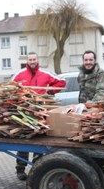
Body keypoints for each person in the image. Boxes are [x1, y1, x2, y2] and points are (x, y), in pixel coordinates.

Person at [11, 51, 66, 180]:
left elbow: (61, 82)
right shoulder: (20, 75)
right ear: (27, 61)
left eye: (34, 59)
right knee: (24, 142)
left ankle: (36, 168)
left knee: (38, 142)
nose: (32, 61)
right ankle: (20, 169)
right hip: (24, 114)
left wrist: (50, 91)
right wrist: (18, 95)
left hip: (40, 113)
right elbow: (10, 86)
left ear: (37, 60)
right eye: (30, 59)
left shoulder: (45, 74)